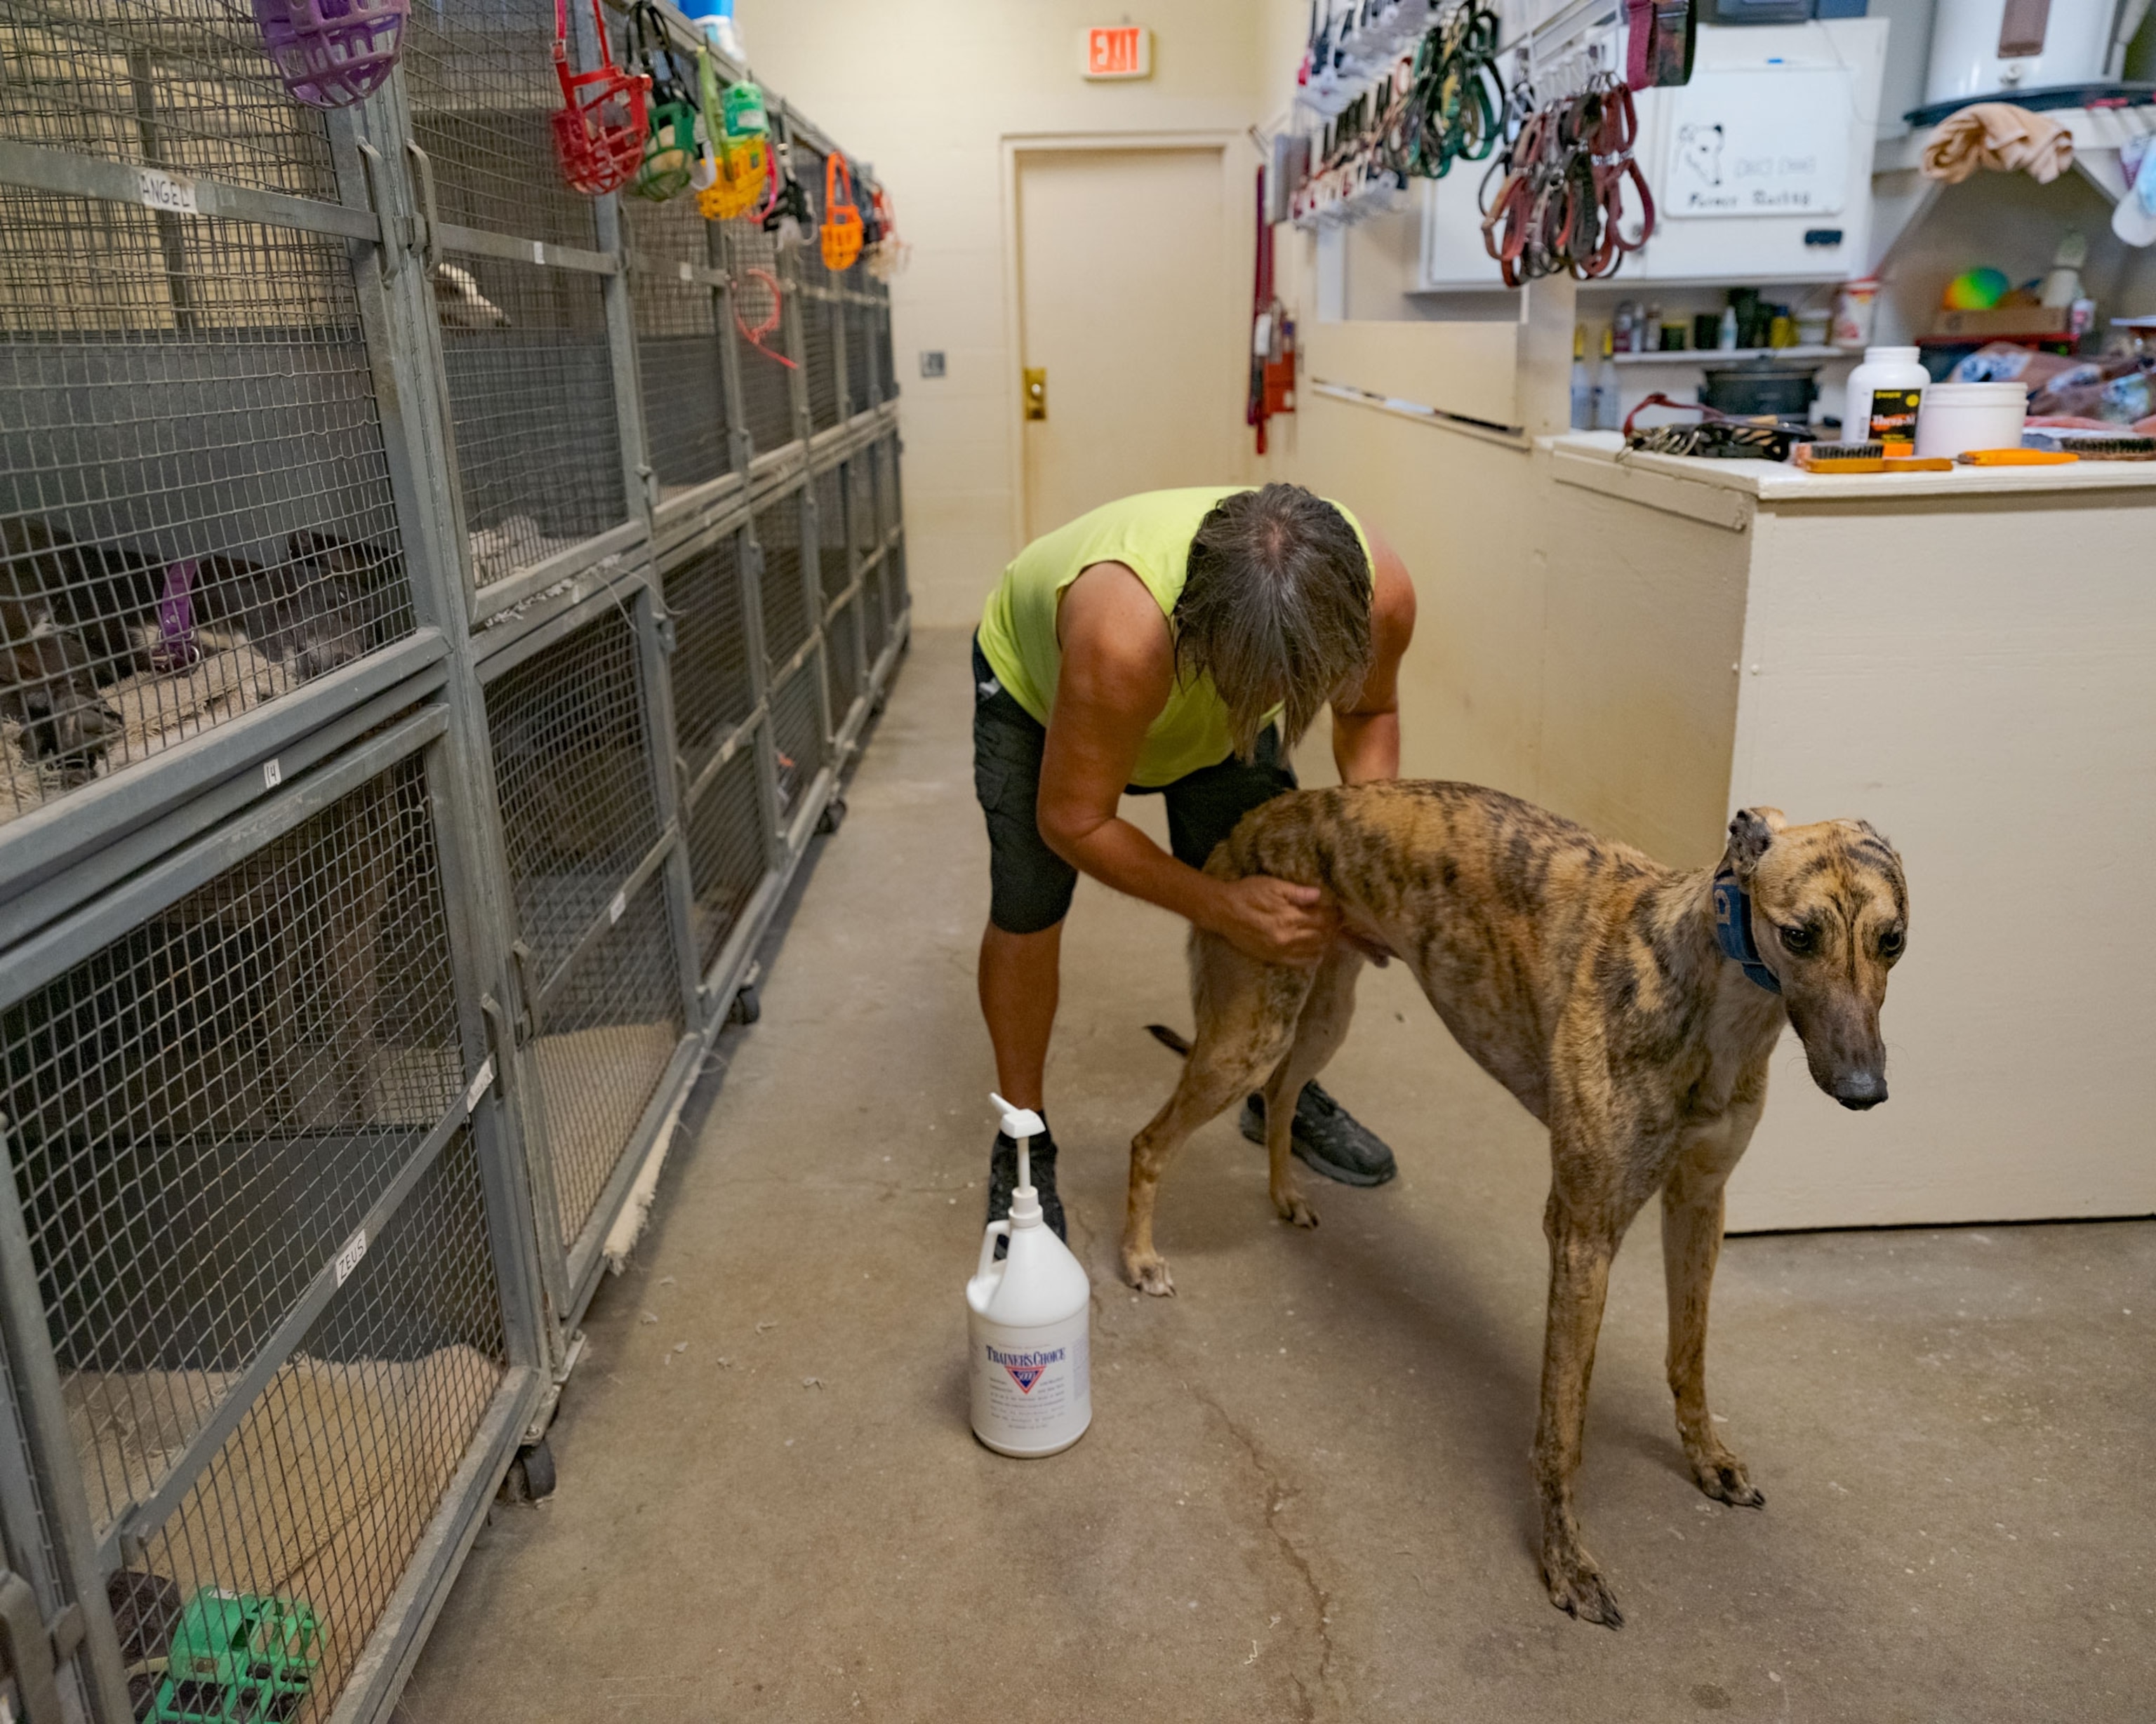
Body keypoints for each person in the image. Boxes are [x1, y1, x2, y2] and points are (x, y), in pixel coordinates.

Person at [971, 482, 1417, 1239]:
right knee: (1029, 901)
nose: (1283, 699)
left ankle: (1273, 1086)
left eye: (1295, 685)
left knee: (1284, 897)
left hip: (1204, 714)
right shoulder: (1122, 636)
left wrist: (1367, 870)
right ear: (1207, 635)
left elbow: (1369, 711)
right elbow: (1073, 820)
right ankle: (1023, 1136)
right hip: (1041, 696)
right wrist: (1218, 905)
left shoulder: (1383, 595)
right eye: (1267, 683)